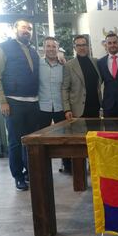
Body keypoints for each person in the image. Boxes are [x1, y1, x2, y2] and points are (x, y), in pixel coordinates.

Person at [0, 19, 40, 191]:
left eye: (30, 28)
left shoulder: (33, 51)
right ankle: (18, 176)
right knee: (15, 142)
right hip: (13, 103)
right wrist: (3, 102)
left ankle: (29, 173)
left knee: (30, 142)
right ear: (15, 29)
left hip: (33, 103)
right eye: (23, 27)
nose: (27, 30)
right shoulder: (3, 48)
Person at [38, 36, 71, 173]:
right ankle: (42, 168)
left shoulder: (64, 66)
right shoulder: (37, 65)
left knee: (65, 139)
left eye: (54, 46)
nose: (51, 49)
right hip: (42, 108)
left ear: (58, 49)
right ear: (44, 48)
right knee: (42, 141)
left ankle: (68, 166)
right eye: (48, 46)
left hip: (60, 107)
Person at [62, 35, 102, 120]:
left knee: (94, 133)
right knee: (80, 133)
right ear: (75, 48)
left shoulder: (96, 62)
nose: (82, 48)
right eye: (78, 45)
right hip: (78, 110)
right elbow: (65, 89)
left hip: (95, 107)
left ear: (88, 46)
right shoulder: (69, 65)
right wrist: (67, 109)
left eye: (84, 45)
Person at [97, 33, 118, 117]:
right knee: (109, 130)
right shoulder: (100, 62)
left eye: (115, 42)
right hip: (108, 106)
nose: (112, 45)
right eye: (109, 43)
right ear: (106, 45)